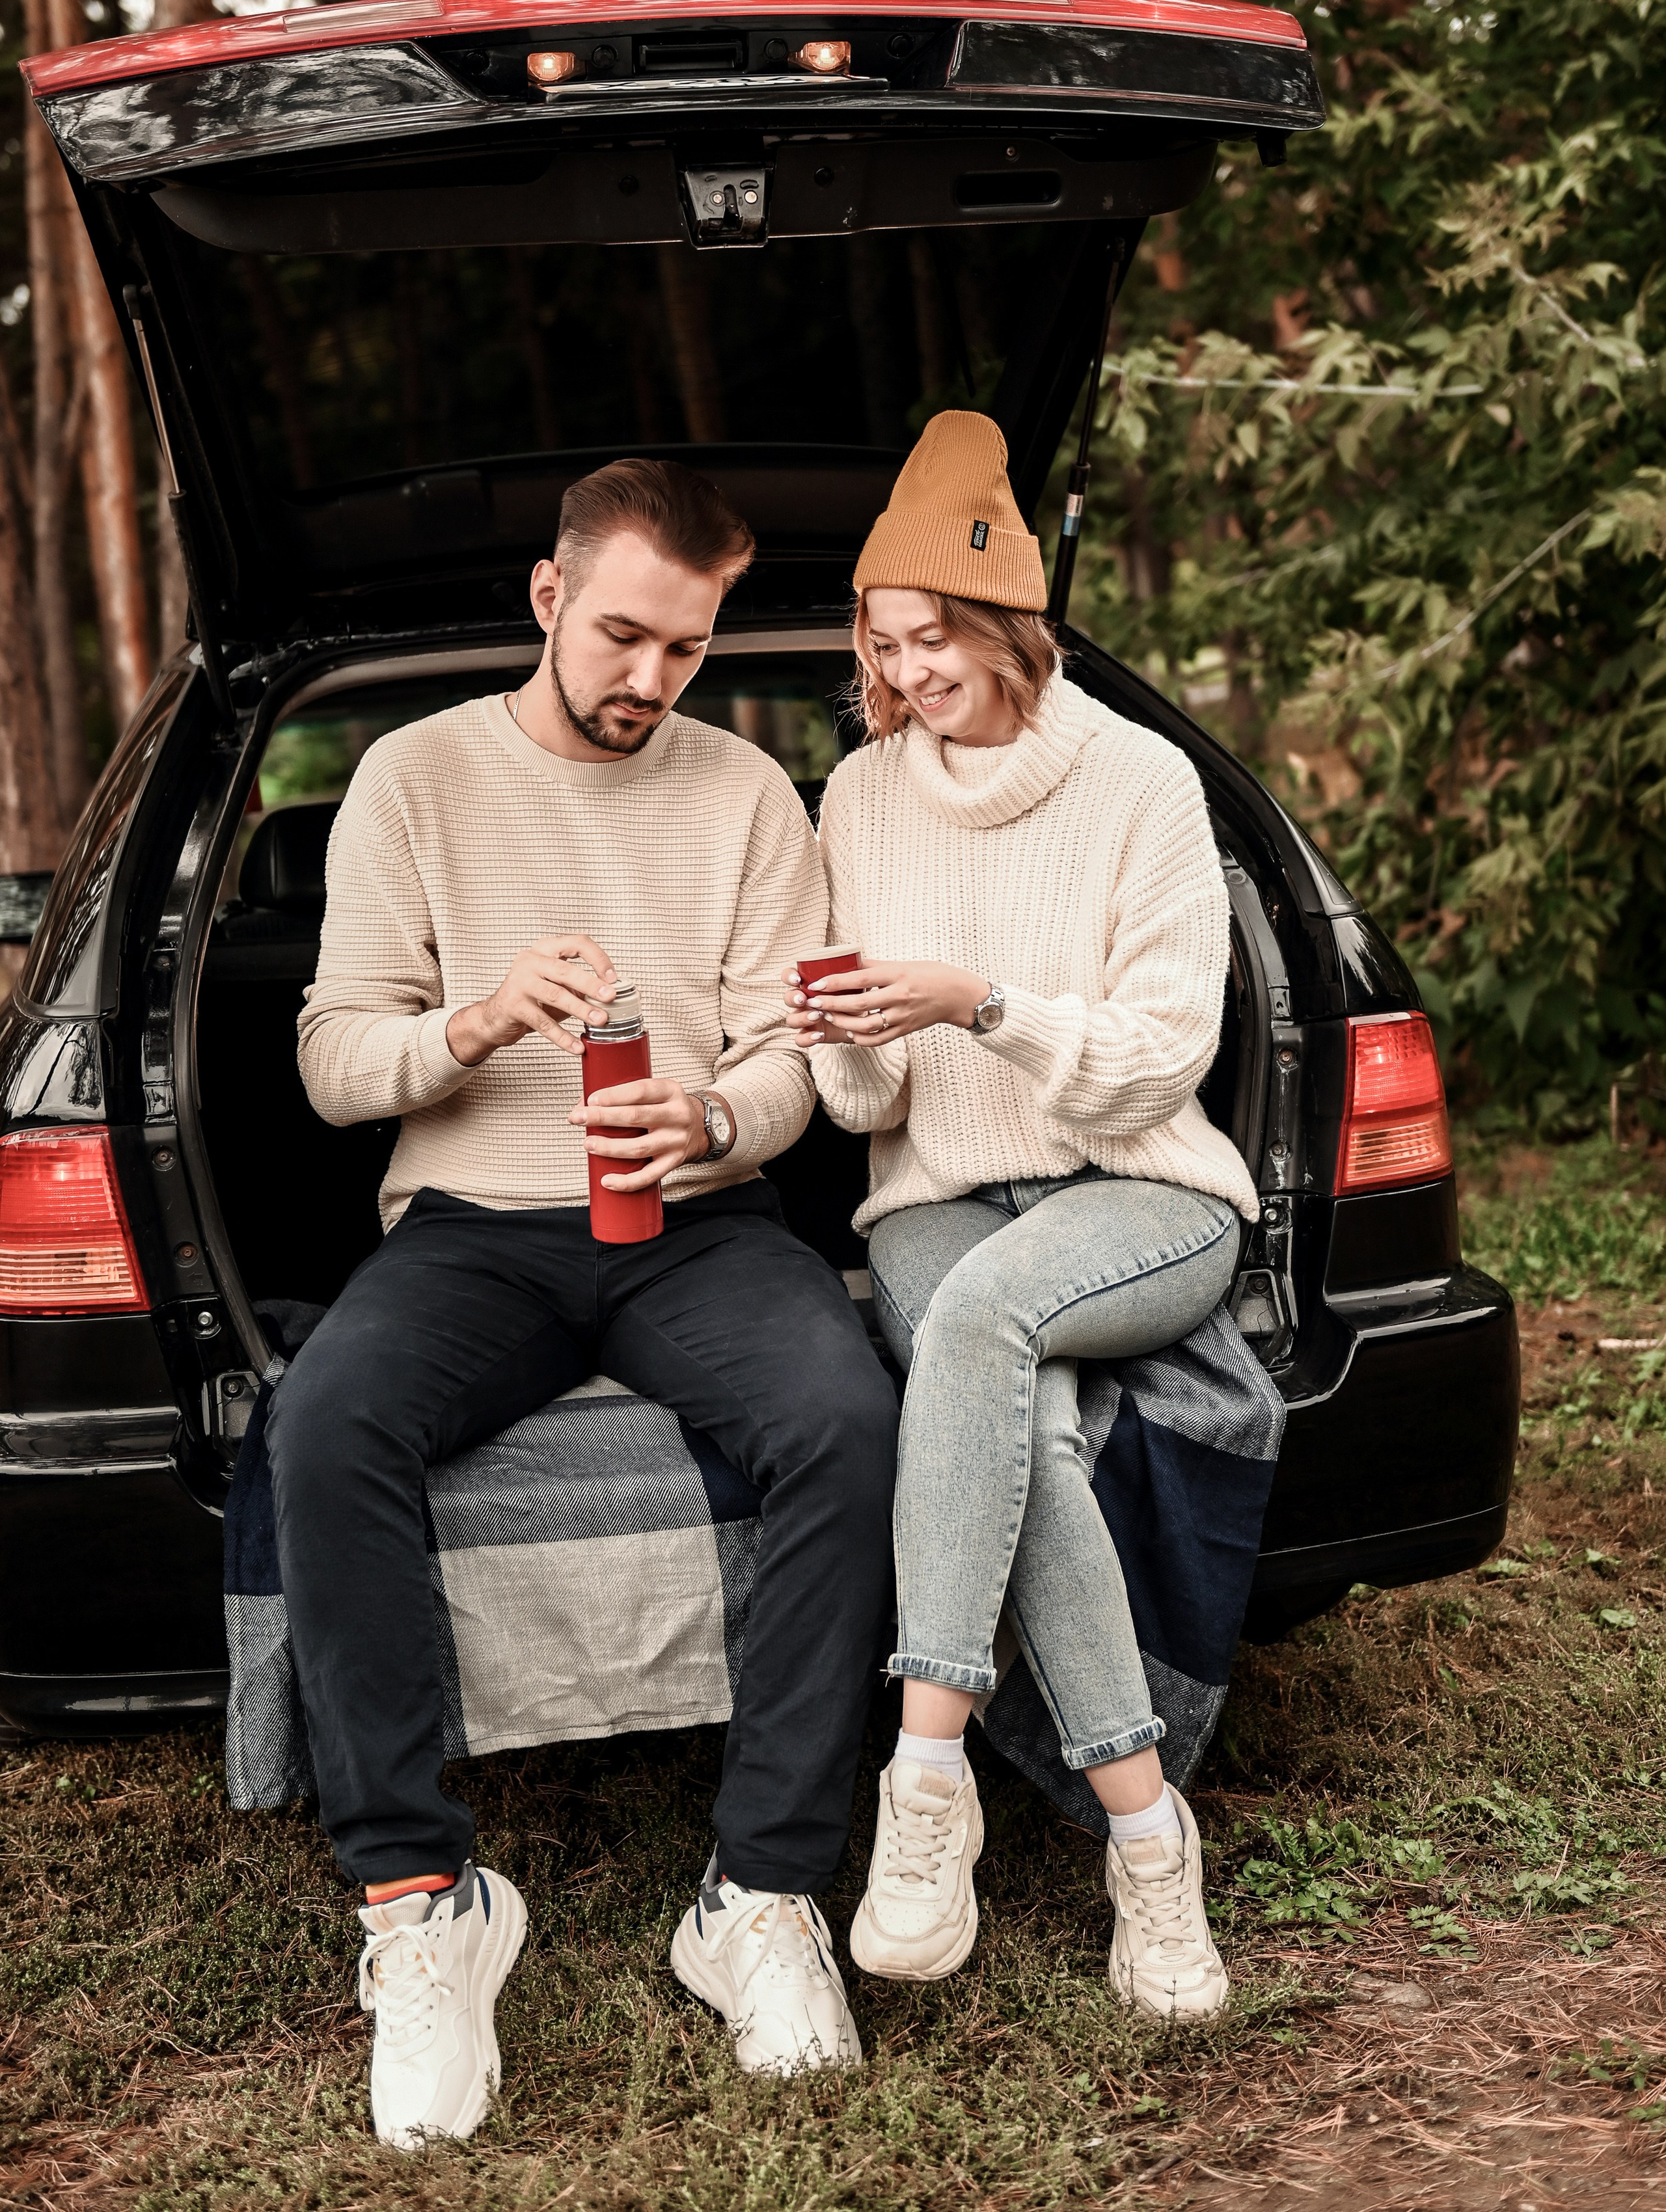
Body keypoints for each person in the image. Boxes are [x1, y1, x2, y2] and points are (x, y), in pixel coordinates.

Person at [275, 457, 897, 2146]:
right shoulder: (414, 779)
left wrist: (711, 1115)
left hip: (699, 1224)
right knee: (323, 1423)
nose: (649, 679)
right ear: (550, 600)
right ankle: (422, 1901)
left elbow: (795, 1056)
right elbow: (337, 1064)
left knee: (846, 1419)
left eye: (684, 650)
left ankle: (759, 1898)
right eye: (622, 633)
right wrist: (468, 1027)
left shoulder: (750, 793)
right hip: (475, 1228)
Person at [785, 412, 1260, 2021]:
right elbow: (864, 1115)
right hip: (934, 1192)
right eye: (880, 640)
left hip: (1143, 1190)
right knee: (1020, 1421)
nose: (905, 671)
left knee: (984, 1326)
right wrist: (853, 1036)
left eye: (932, 638)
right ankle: (1148, 1838)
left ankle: (923, 1779)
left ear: (1005, 626)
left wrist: (979, 1001)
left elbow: (1160, 1062)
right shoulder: (853, 798)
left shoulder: (1141, 784)